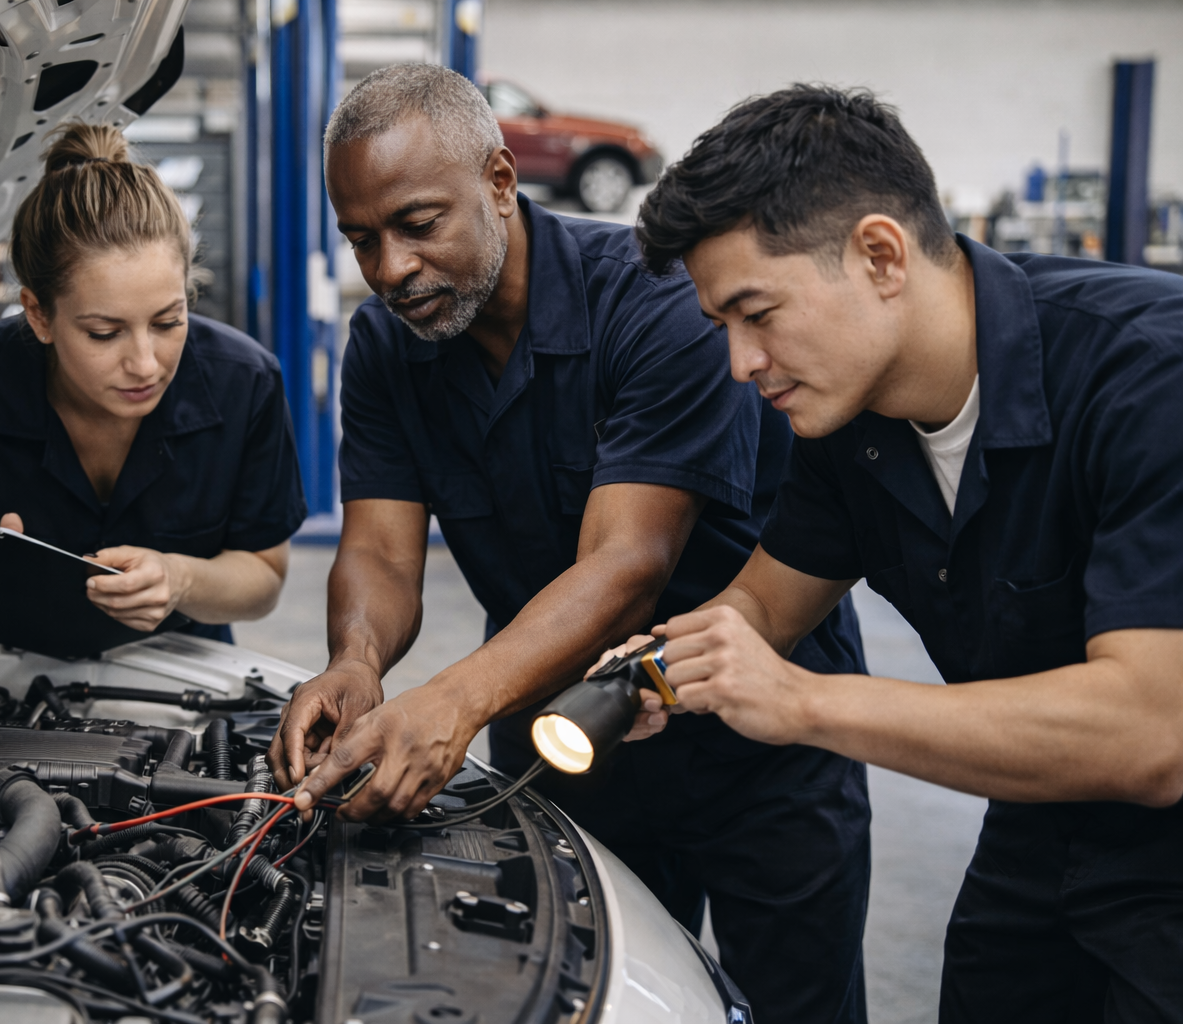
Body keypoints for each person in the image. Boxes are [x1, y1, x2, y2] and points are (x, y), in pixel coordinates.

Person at [267, 64, 871, 1023]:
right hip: (565, 745)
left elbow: (626, 567)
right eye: (360, 240)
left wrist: (451, 704)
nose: (389, 270)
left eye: (419, 225)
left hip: (756, 749)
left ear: (501, 184)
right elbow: (382, 553)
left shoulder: (656, 303)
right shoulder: (387, 345)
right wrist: (357, 661)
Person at [627, 84, 1183, 1021]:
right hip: (1038, 818)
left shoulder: (1149, 376)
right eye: (723, 327)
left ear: (880, 254)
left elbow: (1150, 732)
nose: (740, 363)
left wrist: (801, 701)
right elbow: (766, 604)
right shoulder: (851, 417)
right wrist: (659, 667)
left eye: (756, 313)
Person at [0, 123, 306, 642]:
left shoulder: (247, 384)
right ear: (38, 315)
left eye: (169, 322)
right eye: (105, 333)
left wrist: (181, 578)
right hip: (3, 663)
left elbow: (264, 576)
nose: (145, 364)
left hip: (179, 673)